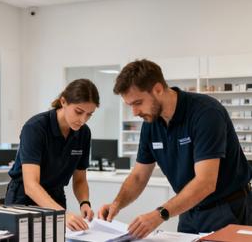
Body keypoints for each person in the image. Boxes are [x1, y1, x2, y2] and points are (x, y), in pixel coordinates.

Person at [98, 59, 252, 238]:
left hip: (226, 209)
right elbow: (139, 176)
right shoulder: (151, 123)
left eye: (138, 102)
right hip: (189, 210)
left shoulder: (206, 113)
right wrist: (117, 204)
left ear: (158, 89)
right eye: (130, 105)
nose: (134, 112)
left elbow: (205, 182)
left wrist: (160, 214)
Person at [5, 79, 99, 231]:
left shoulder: (84, 133)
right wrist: (62, 214)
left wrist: (84, 203)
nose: (83, 120)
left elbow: (80, 180)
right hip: (24, 199)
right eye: (79, 112)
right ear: (63, 102)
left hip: (56, 196)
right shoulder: (35, 128)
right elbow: (31, 185)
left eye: (89, 115)